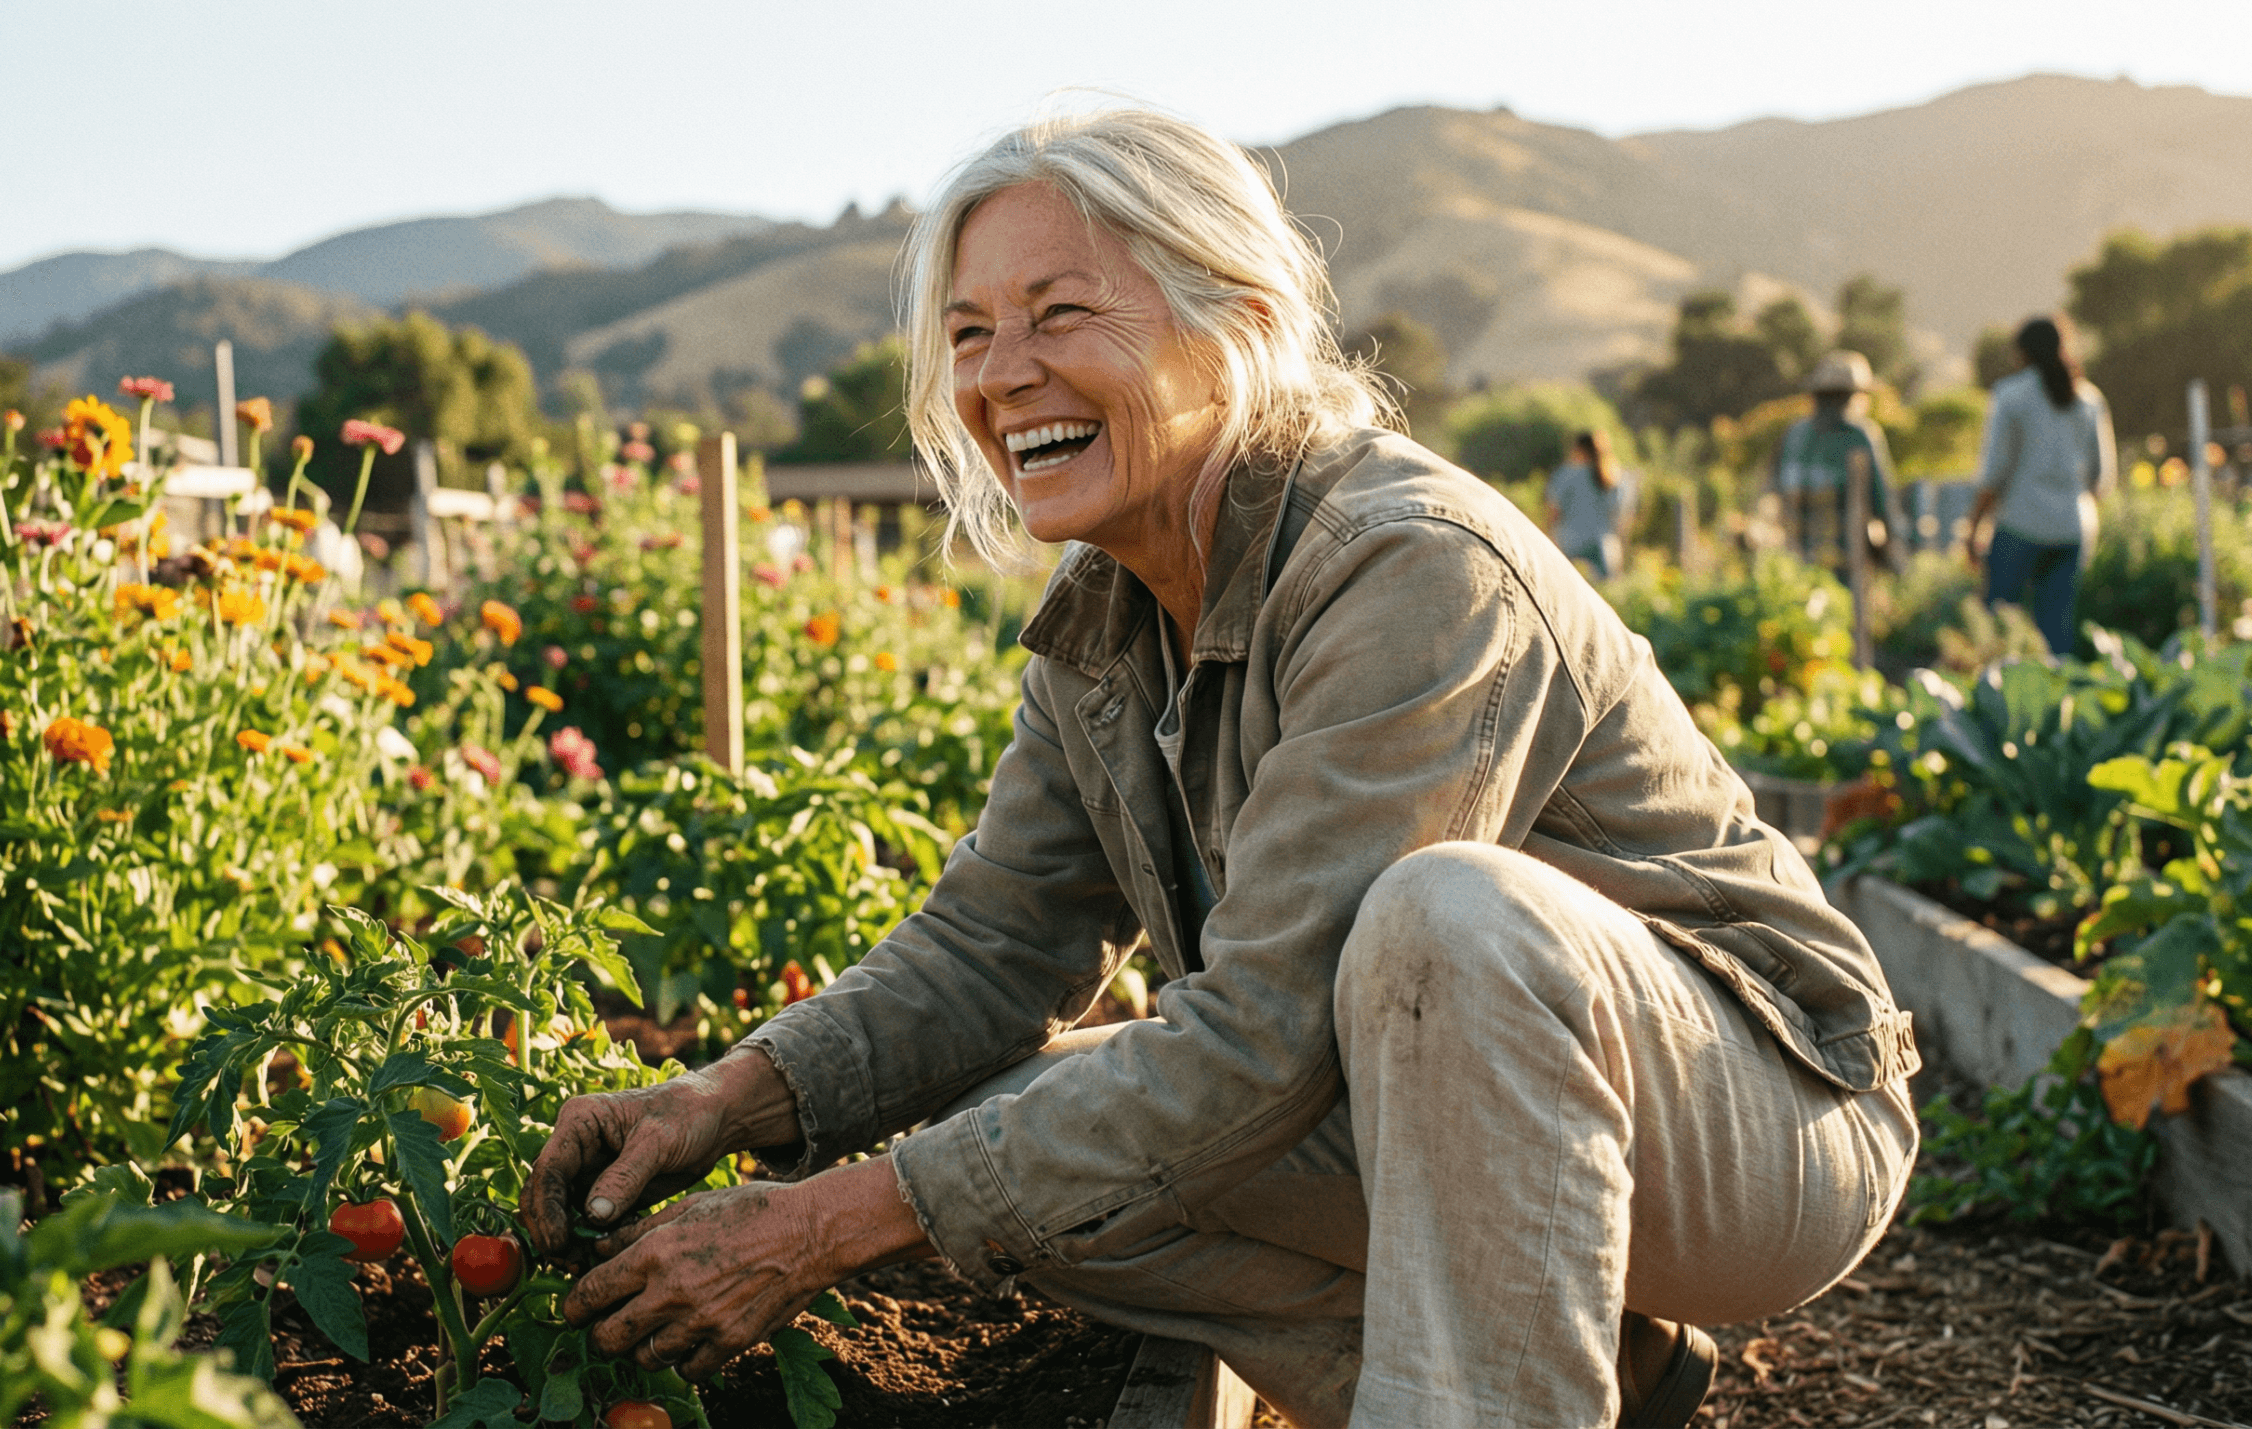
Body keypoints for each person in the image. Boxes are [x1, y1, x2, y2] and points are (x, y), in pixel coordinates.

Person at [521, 110, 1919, 1428]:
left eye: (1060, 313)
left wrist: (822, 1222)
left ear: (1237, 325)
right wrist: (722, 1098)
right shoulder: (1104, 620)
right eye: (970, 333)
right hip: (1447, 1107)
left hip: (1760, 1115)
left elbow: (1264, 1036)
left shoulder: (1408, 568)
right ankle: (1586, 1366)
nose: (1001, 375)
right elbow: (991, 948)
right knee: (991, 1129)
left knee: (1448, 920)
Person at [1967, 315, 2115, 655]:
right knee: (2056, 631)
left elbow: (1995, 472)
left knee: (2000, 626)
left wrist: (1974, 527)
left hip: (2019, 524)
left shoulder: (2011, 395)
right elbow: (2102, 479)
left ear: (2023, 353)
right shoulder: (2088, 399)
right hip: (2072, 528)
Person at [1773, 351, 1897, 573]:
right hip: (1844, 563)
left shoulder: (1794, 434)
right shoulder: (1859, 435)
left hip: (1795, 564)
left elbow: (1774, 489)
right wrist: (1896, 551)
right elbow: (1883, 503)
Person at [1544, 429, 1635, 580]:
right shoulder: (1616, 478)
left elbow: (1554, 514)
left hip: (1570, 548)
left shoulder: (1566, 474)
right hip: (1604, 549)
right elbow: (1621, 521)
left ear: (1579, 449)